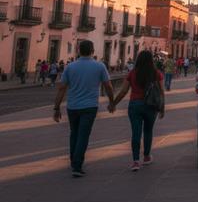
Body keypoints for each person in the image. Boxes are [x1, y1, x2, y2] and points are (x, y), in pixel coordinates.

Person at [52, 40, 115, 177]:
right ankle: (77, 165)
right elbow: (108, 86)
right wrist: (112, 102)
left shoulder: (70, 67)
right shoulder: (99, 67)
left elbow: (62, 88)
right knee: (83, 135)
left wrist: (56, 108)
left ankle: (73, 160)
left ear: (79, 50)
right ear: (92, 51)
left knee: (74, 133)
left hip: (72, 106)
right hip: (90, 106)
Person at [110, 50, 165, 171]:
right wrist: (162, 108)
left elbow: (123, 91)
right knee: (148, 131)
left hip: (135, 105)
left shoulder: (132, 73)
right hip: (151, 105)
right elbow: (161, 92)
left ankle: (135, 161)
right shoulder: (156, 73)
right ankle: (146, 157)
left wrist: (113, 103)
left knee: (136, 132)